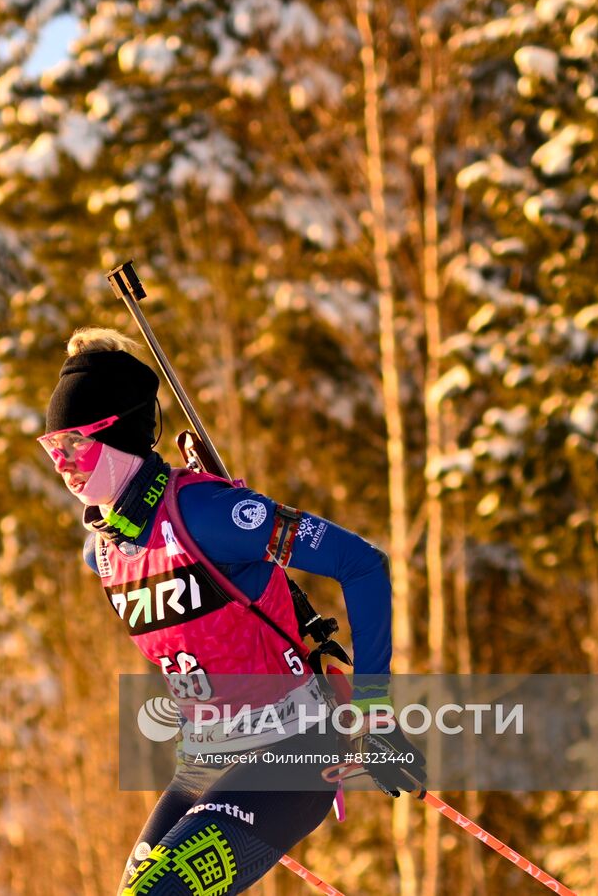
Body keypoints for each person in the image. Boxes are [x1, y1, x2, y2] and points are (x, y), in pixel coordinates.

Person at [40, 328, 427, 896]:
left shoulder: (211, 513)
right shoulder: (102, 549)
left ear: (121, 434)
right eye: (53, 449)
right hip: (202, 764)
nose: (63, 465)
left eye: (76, 445)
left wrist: (373, 709)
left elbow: (363, 565)